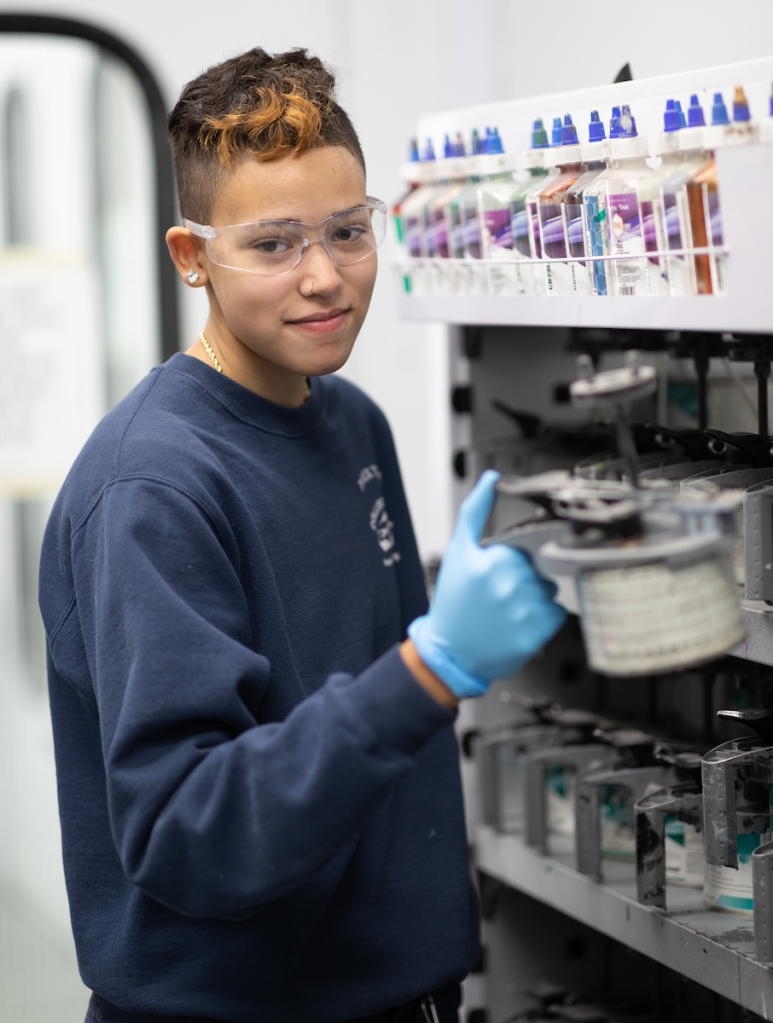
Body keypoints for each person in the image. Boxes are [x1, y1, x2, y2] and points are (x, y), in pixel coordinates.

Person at [38, 47, 565, 1023]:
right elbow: (187, 834)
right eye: (274, 244)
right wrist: (430, 667)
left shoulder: (349, 421)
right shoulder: (152, 487)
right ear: (192, 257)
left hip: (397, 995)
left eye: (346, 231)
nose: (324, 277)